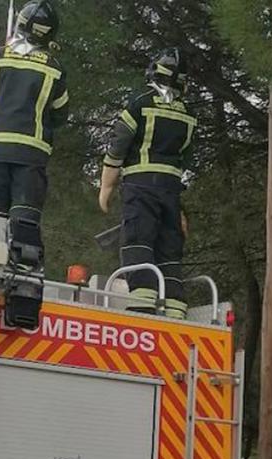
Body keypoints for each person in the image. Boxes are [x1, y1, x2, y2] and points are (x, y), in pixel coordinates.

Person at [98, 48, 196, 319]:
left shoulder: (140, 103)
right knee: (169, 247)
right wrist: (179, 208)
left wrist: (106, 186)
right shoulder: (188, 114)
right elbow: (184, 159)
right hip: (171, 191)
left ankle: (142, 301)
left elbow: (118, 144)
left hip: (140, 187)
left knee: (138, 240)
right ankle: (175, 305)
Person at [0, 0, 68, 225]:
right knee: (25, 219)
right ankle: (22, 258)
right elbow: (60, 115)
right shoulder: (54, 69)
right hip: (32, 155)